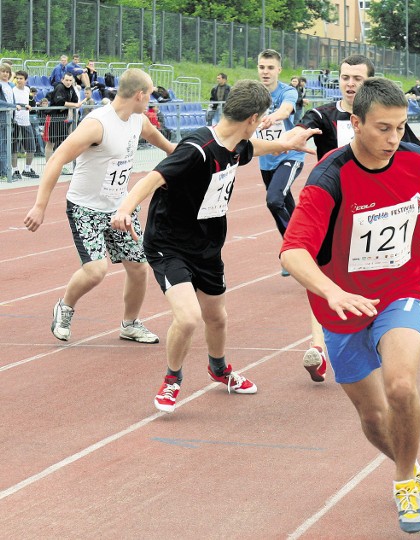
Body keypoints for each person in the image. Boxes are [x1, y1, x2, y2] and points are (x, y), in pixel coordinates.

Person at [281, 78, 420, 533]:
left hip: (400, 290)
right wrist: (331, 291)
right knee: (373, 417)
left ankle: (402, 482)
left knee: (399, 386)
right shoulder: (328, 178)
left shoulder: (417, 160)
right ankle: (411, 466)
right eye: (383, 129)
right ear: (355, 122)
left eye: (400, 127)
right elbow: (292, 252)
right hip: (342, 307)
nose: (394, 139)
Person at [109, 80, 320, 412]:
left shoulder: (236, 142)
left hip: (207, 245)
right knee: (189, 317)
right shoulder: (197, 148)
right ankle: (172, 380)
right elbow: (154, 177)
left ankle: (219, 370)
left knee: (217, 317)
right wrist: (125, 208)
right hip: (169, 244)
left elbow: (254, 149)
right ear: (253, 119)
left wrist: (284, 143)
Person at [291, 54, 420, 383]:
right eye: (345, 77)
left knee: (374, 276)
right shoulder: (323, 115)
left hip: (373, 215)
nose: (350, 83)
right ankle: (318, 346)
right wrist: (290, 137)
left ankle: (383, 331)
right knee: (321, 272)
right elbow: (300, 128)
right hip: (332, 211)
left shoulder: (386, 121)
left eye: (358, 79)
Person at [24, 68, 176, 344]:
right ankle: (65, 306)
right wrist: (39, 206)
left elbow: (162, 142)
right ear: (139, 94)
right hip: (86, 207)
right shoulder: (98, 124)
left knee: (139, 266)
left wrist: (182, 154)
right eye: (150, 95)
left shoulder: (138, 119)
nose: (151, 101)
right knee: (96, 270)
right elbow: (57, 159)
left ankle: (130, 324)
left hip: (120, 208)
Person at [256, 49, 306, 246]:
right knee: (284, 204)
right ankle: (304, 242)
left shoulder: (288, 91)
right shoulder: (253, 93)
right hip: (266, 159)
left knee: (274, 200)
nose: (265, 72)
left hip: (289, 155)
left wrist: (272, 117)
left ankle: (291, 246)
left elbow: (285, 110)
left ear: (279, 70)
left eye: (270, 68)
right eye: (261, 67)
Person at [43, 72, 85, 164]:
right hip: (53, 117)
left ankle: (59, 163)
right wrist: (74, 105)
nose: (68, 82)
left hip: (63, 118)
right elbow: (60, 102)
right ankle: (48, 165)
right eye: (66, 80)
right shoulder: (59, 87)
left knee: (63, 141)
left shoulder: (71, 89)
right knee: (51, 142)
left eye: (70, 80)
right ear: (62, 80)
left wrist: (74, 104)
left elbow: (75, 100)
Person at [10, 70, 39, 180]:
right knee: (14, 148)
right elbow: (12, 103)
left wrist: (29, 105)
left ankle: (27, 169)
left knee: (31, 147)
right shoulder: (13, 90)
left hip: (26, 122)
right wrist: (21, 105)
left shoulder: (27, 90)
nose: (18, 80)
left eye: (21, 78)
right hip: (15, 122)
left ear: (26, 80)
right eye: (17, 78)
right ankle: (15, 170)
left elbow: (31, 103)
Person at [0, 63, 16, 181]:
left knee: (6, 146)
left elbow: (12, 101)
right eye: (3, 71)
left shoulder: (10, 85)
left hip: (8, 118)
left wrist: (22, 105)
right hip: (1, 119)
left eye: (7, 72)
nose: (5, 74)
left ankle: (5, 171)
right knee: (2, 146)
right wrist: (13, 106)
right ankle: (3, 172)